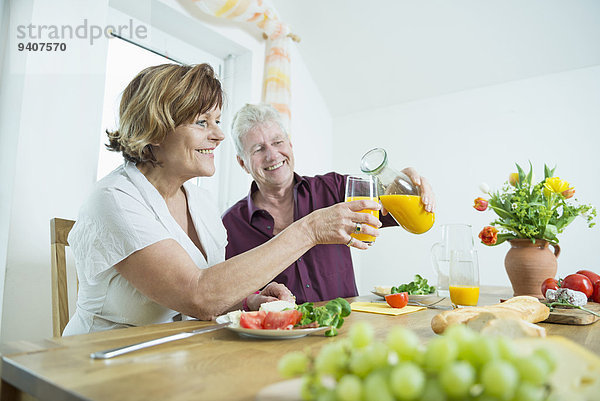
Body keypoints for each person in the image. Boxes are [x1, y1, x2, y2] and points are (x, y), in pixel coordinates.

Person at [63, 64, 381, 335]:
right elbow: (197, 296)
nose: (218, 135)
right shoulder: (114, 199)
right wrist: (308, 230)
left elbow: (212, 293)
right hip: (103, 367)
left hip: (175, 360)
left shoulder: (200, 203)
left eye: (217, 121)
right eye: (202, 122)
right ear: (156, 129)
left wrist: (248, 300)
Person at [222, 103, 435, 304]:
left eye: (278, 142)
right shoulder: (230, 225)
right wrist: (249, 300)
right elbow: (226, 296)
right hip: (276, 339)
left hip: (344, 333)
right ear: (243, 163)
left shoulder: (334, 189)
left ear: (290, 145)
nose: (272, 154)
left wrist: (408, 189)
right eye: (258, 149)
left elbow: (402, 213)